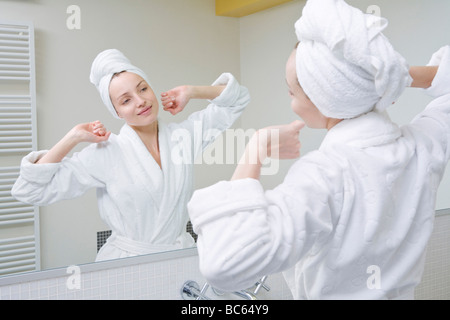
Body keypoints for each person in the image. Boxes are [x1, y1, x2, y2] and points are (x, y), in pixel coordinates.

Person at [187, 0, 449, 300]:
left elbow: (227, 261)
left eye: (291, 92)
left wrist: (256, 147)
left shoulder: (324, 174)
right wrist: (380, 77)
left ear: (323, 100)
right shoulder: (423, 146)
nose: (291, 102)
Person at [11, 49, 250, 261]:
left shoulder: (183, 138)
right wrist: (72, 137)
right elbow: (29, 189)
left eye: (143, 89)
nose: (141, 101)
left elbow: (237, 100)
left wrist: (191, 91)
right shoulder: (107, 153)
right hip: (126, 266)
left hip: (178, 259)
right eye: (126, 100)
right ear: (116, 111)